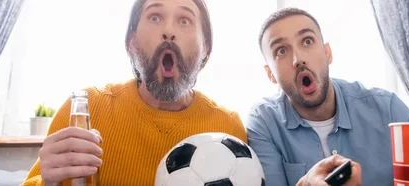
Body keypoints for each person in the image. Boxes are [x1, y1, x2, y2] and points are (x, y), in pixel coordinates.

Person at [22, 0, 247, 185]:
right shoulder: (85, 110)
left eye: (184, 20)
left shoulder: (229, 127)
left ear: (205, 47)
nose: (168, 31)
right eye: (155, 17)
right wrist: (48, 181)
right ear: (131, 41)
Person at [246, 7, 409, 186]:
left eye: (307, 41)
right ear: (270, 74)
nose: (298, 59)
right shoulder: (264, 123)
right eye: (281, 51)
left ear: (327, 53)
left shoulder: (387, 109)